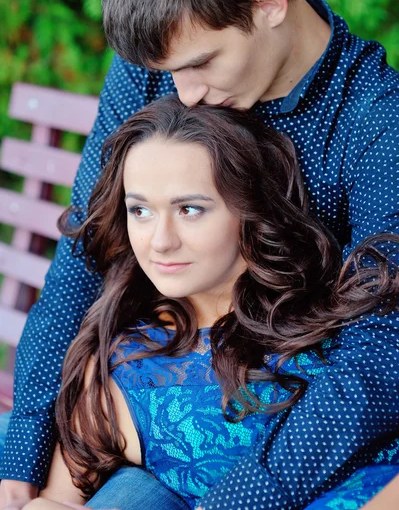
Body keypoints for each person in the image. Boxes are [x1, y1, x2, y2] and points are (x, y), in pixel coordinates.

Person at [1, 0, 399, 508]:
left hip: (308, 444)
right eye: (167, 73)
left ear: (268, 6)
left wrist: (249, 494)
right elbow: (86, 251)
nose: (182, 94)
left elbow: (383, 351)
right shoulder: (165, 60)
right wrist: (23, 451)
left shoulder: (373, 123)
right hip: (155, 410)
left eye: (201, 65)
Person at [20, 97, 399, 510]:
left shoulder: (344, 321)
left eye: (189, 209)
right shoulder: (124, 364)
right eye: (141, 210)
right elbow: (53, 502)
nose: (161, 240)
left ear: (251, 209)